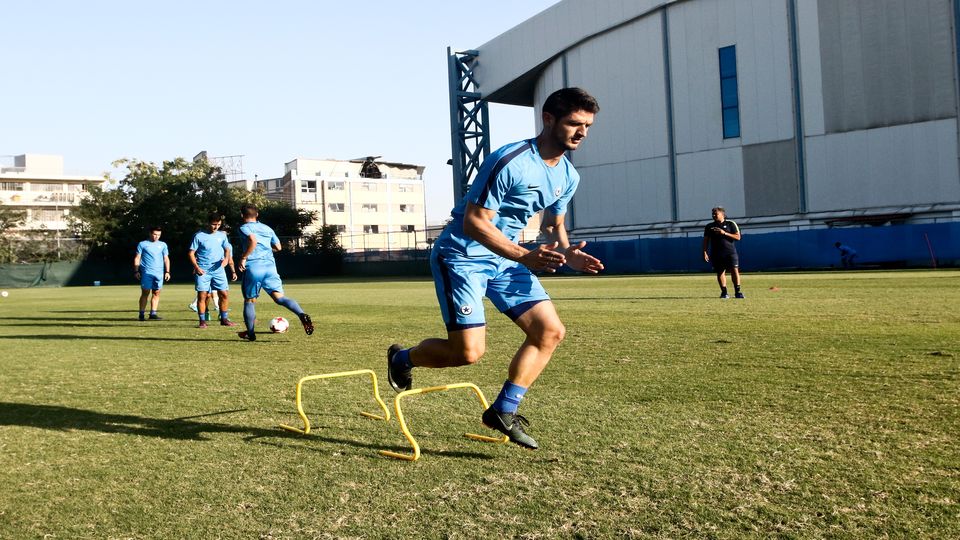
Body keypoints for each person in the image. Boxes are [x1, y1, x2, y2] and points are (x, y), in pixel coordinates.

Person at [386, 87, 603, 450]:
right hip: (463, 256)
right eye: (574, 123)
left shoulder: (568, 175)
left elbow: (553, 224)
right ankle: (402, 357)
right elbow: (474, 222)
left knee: (550, 332)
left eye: (588, 126)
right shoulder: (510, 159)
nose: (581, 132)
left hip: (508, 259)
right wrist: (523, 255)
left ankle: (503, 410)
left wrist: (568, 252)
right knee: (468, 354)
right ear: (548, 119)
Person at [235, 203, 313, 341]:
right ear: (257, 214)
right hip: (270, 268)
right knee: (280, 298)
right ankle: (301, 314)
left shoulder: (243, 228)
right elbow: (278, 246)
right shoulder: (267, 228)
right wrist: (266, 250)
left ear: (242, 215)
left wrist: (243, 257)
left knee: (250, 301)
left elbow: (252, 240)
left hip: (254, 267)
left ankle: (251, 334)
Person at [188, 212, 238, 328]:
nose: (216, 227)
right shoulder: (199, 236)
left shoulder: (222, 235)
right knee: (203, 296)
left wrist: (226, 260)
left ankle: (224, 319)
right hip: (203, 271)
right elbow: (191, 253)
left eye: (219, 224)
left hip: (218, 270)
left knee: (224, 294)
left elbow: (227, 249)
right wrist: (196, 267)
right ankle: (202, 322)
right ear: (208, 223)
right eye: (214, 224)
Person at [702, 206, 743, 299]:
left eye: (716, 214)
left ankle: (738, 292)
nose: (713, 215)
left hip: (730, 252)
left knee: (734, 270)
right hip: (717, 253)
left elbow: (738, 237)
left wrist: (724, 233)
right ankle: (724, 292)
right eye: (712, 214)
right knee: (720, 272)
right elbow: (705, 240)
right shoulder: (709, 226)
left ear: (722, 214)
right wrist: (704, 251)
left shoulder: (731, 224)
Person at [133, 226, 170, 320]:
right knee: (145, 292)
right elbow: (137, 257)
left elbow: (166, 259)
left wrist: (167, 271)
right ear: (150, 233)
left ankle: (153, 313)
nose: (156, 236)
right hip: (147, 273)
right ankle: (141, 314)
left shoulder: (163, 245)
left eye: (159, 235)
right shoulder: (142, 244)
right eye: (154, 234)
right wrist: (136, 270)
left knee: (156, 293)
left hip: (159, 273)